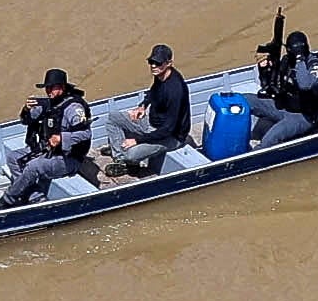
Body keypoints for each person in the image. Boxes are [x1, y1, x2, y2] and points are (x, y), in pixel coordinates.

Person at [100, 42, 194, 173]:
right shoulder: (160, 75)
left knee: (131, 154)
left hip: (170, 136)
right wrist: (142, 106)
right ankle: (120, 156)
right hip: (151, 122)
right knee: (113, 118)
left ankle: (126, 158)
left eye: (158, 63)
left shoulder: (175, 90)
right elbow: (153, 91)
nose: (153, 66)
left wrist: (137, 140)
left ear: (169, 63)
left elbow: (168, 130)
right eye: (151, 62)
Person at [14, 68, 98, 197]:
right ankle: (29, 193)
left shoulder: (74, 108)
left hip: (69, 157)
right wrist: (26, 109)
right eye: (47, 88)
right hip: (47, 150)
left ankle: (12, 198)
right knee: (13, 158)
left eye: (51, 87)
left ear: (62, 87)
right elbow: (26, 121)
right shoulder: (48, 104)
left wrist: (61, 138)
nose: (48, 91)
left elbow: (86, 133)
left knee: (33, 166)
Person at [246, 28, 318, 145]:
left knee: (270, 139)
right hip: (283, 105)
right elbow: (270, 87)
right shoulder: (286, 62)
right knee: (243, 100)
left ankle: (255, 157)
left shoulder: (317, 66)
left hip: (304, 116)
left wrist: (300, 59)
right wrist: (264, 69)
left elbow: (305, 84)